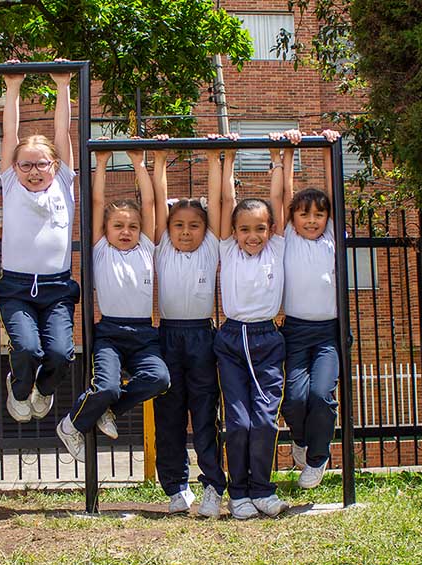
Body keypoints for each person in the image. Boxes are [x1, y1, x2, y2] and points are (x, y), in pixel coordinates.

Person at [56, 142, 171, 462]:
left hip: (144, 335)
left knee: (159, 379)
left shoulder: (147, 247)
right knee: (105, 386)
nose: (126, 231)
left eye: (132, 226)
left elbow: (149, 202)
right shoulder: (100, 249)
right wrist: (102, 163)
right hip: (110, 333)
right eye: (118, 226)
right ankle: (71, 424)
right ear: (105, 230)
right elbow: (96, 200)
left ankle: (108, 411)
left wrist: (138, 163)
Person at [151, 134, 234, 517]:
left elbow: (220, 203)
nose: (186, 231)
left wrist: (220, 159)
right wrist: (160, 160)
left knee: (204, 413)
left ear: (205, 229)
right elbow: (154, 200)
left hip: (202, 336)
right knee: (169, 416)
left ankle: (213, 486)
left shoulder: (211, 248)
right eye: (179, 225)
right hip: (167, 336)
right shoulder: (162, 247)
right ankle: (175, 487)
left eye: (194, 225)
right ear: (168, 229)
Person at [0, 63, 81, 425]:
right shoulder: (11, 185)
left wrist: (62, 86)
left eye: (40, 164)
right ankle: (18, 388)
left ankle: (43, 390)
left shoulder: (63, 183)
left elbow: (63, 131)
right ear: (13, 168)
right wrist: (13, 86)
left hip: (57, 287)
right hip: (15, 287)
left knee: (60, 353)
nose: (33, 171)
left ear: (55, 165)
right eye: (25, 165)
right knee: (28, 348)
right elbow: (10, 133)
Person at [213, 135, 293, 519]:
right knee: (238, 421)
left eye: (259, 228)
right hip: (230, 339)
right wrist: (225, 158)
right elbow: (225, 202)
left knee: (263, 419)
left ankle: (262, 489)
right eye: (244, 229)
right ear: (234, 231)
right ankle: (238, 492)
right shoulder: (227, 248)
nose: (252, 236)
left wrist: (283, 157)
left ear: (270, 229)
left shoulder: (277, 246)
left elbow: (281, 200)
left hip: (266, 338)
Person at [277, 128, 343, 489]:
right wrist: (288, 152)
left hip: (327, 334)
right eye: (305, 215)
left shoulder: (332, 235)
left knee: (321, 395)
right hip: (296, 331)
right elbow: (285, 195)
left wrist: (330, 149)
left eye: (319, 214)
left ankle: (317, 458)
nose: (313, 220)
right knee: (294, 399)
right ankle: (300, 441)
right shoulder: (287, 237)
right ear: (294, 218)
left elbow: (336, 194)